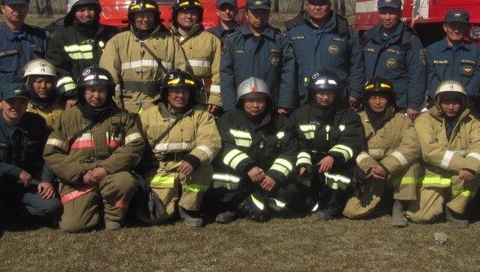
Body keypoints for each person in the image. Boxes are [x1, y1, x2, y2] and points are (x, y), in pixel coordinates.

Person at [43, 67, 145, 233]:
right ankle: (93, 206)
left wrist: (105, 169)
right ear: (82, 92)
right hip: (79, 177)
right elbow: (52, 153)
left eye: (101, 90)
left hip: (111, 173)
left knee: (125, 182)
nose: (96, 96)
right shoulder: (67, 118)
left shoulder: (122, 117)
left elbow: (135, 146)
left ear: (109, 92)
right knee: (73, 226)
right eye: (90, 90)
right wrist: (81, 174)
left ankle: (113, 218)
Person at [0, 82, 62, 241]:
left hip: (24, 185)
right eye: (11, 102)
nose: (15, 107)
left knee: (52, 207)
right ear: (1, 102)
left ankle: (10, 212)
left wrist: (46, 180)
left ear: (27, 104)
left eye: (21, 103)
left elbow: (48, 154)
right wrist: (16, 171)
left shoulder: (36, 123)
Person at [207, 77, 299, 223]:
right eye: (250, 100)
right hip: (239, 173)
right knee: (219, 181)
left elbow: (290, 151)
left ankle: (260, 203)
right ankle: (232, 207)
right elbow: (225, 147)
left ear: (267, 101)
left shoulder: (281, 123)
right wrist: (248, 166)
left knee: (292, 190)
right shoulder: (228, 119)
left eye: (260, 100)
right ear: (241, 101)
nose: (255, 105)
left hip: (266, 177)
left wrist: (274, 175)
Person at [137, 69, 221, 227]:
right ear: (166, 93)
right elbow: (137, 145)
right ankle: (173, 204)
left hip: (189, 167)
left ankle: (188, 208)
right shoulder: (147, 115)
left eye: (185, 91)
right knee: (156, 217)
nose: (180, 96)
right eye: (175, 91)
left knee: (205, 169)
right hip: (160, 169)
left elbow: (211, 141)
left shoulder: (201, 115)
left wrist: (194, 158)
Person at [408, 80, 480, 226]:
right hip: (432, 174)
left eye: (456, 102)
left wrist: (471, 167)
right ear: (438, 101)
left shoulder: (472, 122)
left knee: (477, 174)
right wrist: (464, 164)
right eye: (446, 102)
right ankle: (438, 205)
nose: (451, 107)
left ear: (463, 102)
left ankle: (454, 210)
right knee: (420, 217)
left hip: (460, 176)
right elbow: (429, 151)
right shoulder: (424, 120)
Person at [342, 77, 420, 227]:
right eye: (373, 97)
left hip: (393, 171)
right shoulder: (357, 118)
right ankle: (382, 205)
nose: (377, 102)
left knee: (412, 165)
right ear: (366, 100)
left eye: (382, 97)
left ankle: (400, 207)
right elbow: (355, 146)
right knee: (351, 212)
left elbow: (412, 147)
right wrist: (370, 166)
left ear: (390, 99)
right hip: (371, 173)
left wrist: (386, 167)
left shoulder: (401, 120)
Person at [289, 70, 365, 220]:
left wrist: (332, 157)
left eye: (329, 93)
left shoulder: (348, 114)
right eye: (320, 93)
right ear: (313, 92)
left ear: (336, 94)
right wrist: (304, 163)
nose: (325, 97)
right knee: (295, 186)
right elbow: (297, 144)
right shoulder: (300, 114)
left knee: (339, 177)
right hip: (310, 163)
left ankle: (332, 207)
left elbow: (352, 142)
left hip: (338, 164)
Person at [99, 0, 189, 112]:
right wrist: (117, 110)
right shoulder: (117, 42)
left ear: (155, 17)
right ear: (132, 18)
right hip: (128, 107)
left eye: (149, 15)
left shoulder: (169, 41)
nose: (145, 19)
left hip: (159, 107)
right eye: (140, 15)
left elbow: (180, 73)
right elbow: (110, 79)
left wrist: (173, 108)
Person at [285, 0, 365, 105]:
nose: (317, 7)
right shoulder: (293, 31)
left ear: (329, 4)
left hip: (336, 96)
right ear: (307, 5)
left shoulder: (344, 30)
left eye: (322, 3)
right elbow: (285, 67)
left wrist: (356, 92)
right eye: (313, 3)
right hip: (302, 96)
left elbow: (357, 63)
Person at [219, 0, 297, 115]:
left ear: (269, 14)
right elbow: (226, 74)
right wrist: (230, 106)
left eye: (263, 13)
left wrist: (284, 103)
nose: (259, 17)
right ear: (246, 14)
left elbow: (288, 74)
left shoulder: (280, 40)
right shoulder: (233, 40)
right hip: (240, 105)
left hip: (271, 105)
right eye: (255, 13)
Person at [0, 0, 49, 110]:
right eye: (13, 6)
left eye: (22, 6)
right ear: (2, 8)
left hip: (36, 103)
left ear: (27, 9)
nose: (17, 10)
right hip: (6, 103)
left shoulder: (39, 37)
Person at [356, 0, 425, 119]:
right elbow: (358, 68)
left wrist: (414, 104)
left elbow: (417, 75)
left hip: (398, 104)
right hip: (371, 101)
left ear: (399, 13)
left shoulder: (409, 40)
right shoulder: (369, 37)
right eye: (383, 13)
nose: (387, 17)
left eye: (392, 13)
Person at [46, 0, 120, 102]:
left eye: (90, 9)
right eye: (81, 10)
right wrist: (72, 95)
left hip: (110, 96)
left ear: (97, 11)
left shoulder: (112, 34)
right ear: (73, 13)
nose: (86, 14)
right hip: (78, 99)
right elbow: (58, 70)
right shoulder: (62, 38)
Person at [0, 58, 67, 128]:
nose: (43, 86)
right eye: (38, 81)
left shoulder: (64, 108)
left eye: (48, 82)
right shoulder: (14, 106)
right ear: (28, 82)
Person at [170, 0, 223, 113]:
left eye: (193, 13)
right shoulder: (166, 39)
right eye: (184, 12)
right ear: (176, 15)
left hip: (202, 98)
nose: (189, 16)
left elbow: (218, 73)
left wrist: (215, 99)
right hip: (173, 97)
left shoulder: (211, 40)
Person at [425, 10, 480, 106]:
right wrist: (441, 97)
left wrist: (464, 96)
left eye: (460, 26)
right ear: (445, 27)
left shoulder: (476, 51)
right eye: (452, 26)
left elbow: (479, 76)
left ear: (466, 29)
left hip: (466, 103)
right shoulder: (432, 50)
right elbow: (430, 75)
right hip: (439, 102)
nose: (456, 30)